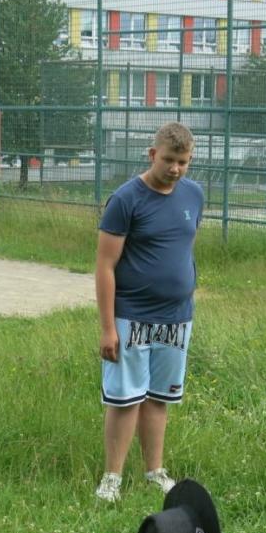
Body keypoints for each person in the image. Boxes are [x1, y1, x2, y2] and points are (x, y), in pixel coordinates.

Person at [94, 121, 205, 503]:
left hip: (177, 318)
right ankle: (112, 478)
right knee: (125, 399)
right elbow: (105, 266)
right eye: (170, 160)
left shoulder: (194, 195)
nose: (175, 169)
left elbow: (183, 247)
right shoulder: (125, 200)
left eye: (184, 162)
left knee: (158, 398)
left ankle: (154, 471)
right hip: (131, 317)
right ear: (152, 154)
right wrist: (108, 328)